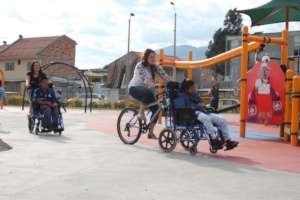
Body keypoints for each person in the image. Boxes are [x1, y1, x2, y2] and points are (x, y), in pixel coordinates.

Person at [174, 79, 238, 151]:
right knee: (206, 119)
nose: (195, 89)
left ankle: (228, 141)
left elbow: (201, 102)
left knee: (222, 120)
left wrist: (201, 104)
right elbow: (182, 108)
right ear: (187, 89)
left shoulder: (195, 94)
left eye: (195, 87)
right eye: (193, 88)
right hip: (191, 114)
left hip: (203, 112)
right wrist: (197, 106)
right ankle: (214, 140)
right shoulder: (181, 96)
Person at [128, 49, 171, 139]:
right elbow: (148, 81)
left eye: (154, 57)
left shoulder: (155, 67)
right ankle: (141, 113)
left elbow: (165, 76)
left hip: (148, 90)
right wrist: (155, 92)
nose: (153, 59)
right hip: (134, 88)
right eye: (151, 57)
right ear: (146, 57)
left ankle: (150, 133)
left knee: (157, 109)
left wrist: (173, 84)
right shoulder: (140, 66)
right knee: (147, 91)